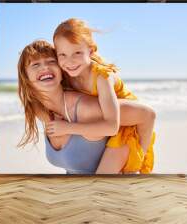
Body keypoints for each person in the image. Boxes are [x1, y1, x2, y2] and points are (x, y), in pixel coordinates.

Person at [48, 18, 156, 173]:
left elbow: (112, 127)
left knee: (103, 178)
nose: (69, 61)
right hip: (101, 124)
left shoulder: (101, 77)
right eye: (62, 54)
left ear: (91, 51)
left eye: (77, 53)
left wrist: (67, 128)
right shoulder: (67, 74)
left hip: (124, 126)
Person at [17, 40, 129, 174]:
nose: (44, 68)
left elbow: (145, 114)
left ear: (61, 70)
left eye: (51, 61)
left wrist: (70, 128)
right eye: (35, 64)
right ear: (26, 77)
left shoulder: (86, 108)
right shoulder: (40, 109)